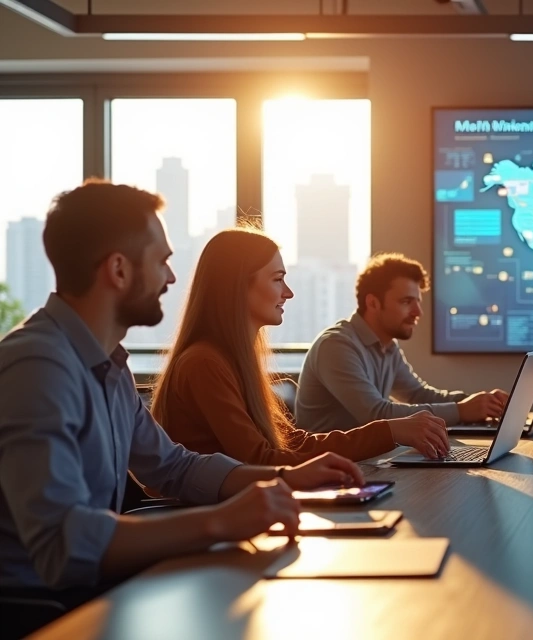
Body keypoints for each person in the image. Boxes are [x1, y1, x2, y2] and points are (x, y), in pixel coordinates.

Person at [0, 180, 363, 599]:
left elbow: (175, 467)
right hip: (45, 612)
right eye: (162, 261)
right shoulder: (38, 368)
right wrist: (220, 522)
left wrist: (285, 477)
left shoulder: (108, 365)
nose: (171, 277)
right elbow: (65, 544)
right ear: (118, 270)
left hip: (95, 590)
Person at [152, 229, 452, 464]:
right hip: (212, 521)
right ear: (237, 287)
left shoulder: (231, 361)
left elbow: (291, 443)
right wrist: (390, 431)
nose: (289, 292)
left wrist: (392, 431)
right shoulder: (204, 363)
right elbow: (259, 460)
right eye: (278, 279)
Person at [294, 253, 507, 433]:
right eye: (406, 302)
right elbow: (377, 415)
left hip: (368, 461)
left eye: (418, 302)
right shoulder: (336, 346)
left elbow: (418, 394)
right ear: (373, 303)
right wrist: (461, 410)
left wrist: (480, 402)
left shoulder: (387, 346)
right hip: (332, 471)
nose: (418, 313)